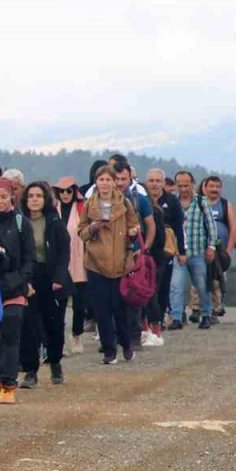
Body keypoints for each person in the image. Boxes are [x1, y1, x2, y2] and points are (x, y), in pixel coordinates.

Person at [79, 165, 140, 364]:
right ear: (96, 182)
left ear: (115, 182)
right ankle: (108, 350)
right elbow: (81, 231)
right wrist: (93, 228)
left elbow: (134, 225)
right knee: (101, 310)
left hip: (120, 262)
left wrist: (133, 233)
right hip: (96, 263)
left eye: (108, 180)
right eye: (101, 179)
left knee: (119, 308)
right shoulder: (90, 204)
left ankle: (126, 343)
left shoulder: (126, 204)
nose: (104, 183)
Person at [0, 177, 35, 403]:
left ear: (12, 196)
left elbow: (29, 258)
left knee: (10, 336)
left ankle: (8, 383)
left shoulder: (22, 223)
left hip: (14, 288)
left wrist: (21, 281)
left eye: (4, 196)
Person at [17, 181, 72, 388]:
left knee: (54, 325)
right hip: (29, 276)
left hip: (53, 278)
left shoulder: (54, 222)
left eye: (38, 196)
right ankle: (31, 371)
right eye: (30, 196)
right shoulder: (19, 222)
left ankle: (55, 362)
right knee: (29, 326)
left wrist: (59, 278)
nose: (34, 199)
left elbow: (64, 251)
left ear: (45, 199)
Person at [170, 171, 218, 330]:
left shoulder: (201, 202)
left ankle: (206, 314)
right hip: (178, 253)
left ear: (192, 184)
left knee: (202, 285)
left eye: (186, 185)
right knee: (176, 286)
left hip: (198, 252)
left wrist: (211, 246)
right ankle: (176, 317)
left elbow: (211, 226)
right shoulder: (173, 202)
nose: (183, 189)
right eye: (180, 185)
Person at [144, 168, 183, 341]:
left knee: (162, 288)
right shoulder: (142, 201)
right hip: (147, 252)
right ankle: (151, 322)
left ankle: (158, 321)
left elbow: (179, 228)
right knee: (149, 289)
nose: (154, 184)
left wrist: (182, 251)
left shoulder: (172, 201)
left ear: (163, 183)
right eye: (151, 181)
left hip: (165, 251)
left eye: (157, 181)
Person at [54, 177, 89, 354]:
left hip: (79, 261)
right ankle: (58, 341)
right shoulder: (53, 211)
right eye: (62, 191)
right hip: (60, 265)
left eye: (69, 191)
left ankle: (77, 335)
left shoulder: (83, 209)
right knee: (59, 306)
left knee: (79, 304)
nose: (65, 194)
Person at [202, 175, 236, 320]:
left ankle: (216, 309)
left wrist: (229, 250)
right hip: (202, 249)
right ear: (205, 188)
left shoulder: (226, 205)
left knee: (219, 279)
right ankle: (203, 310)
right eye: (211, 186)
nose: (214, 189)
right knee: (202, 279)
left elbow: (234, 228)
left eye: (217, 187)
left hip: (221, 251)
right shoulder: (199, 203)